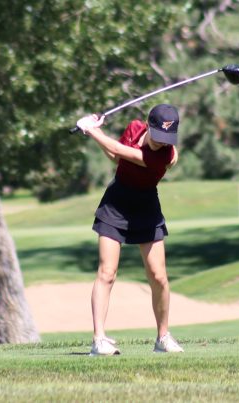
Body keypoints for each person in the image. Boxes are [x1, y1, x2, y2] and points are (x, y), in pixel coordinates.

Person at [76, 104, 184, 355]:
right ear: (149, 125)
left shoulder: (164, 157)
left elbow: (118, 149)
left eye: (167, 139)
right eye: (158, 137)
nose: (162, 143)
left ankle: (163, 337)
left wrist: (91, 130)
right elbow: (116, 156)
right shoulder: (134, 128)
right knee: (107, 271)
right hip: (117, 203)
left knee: (159, 275)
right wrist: (95, 131)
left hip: (146, 205)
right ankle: (99, 339)